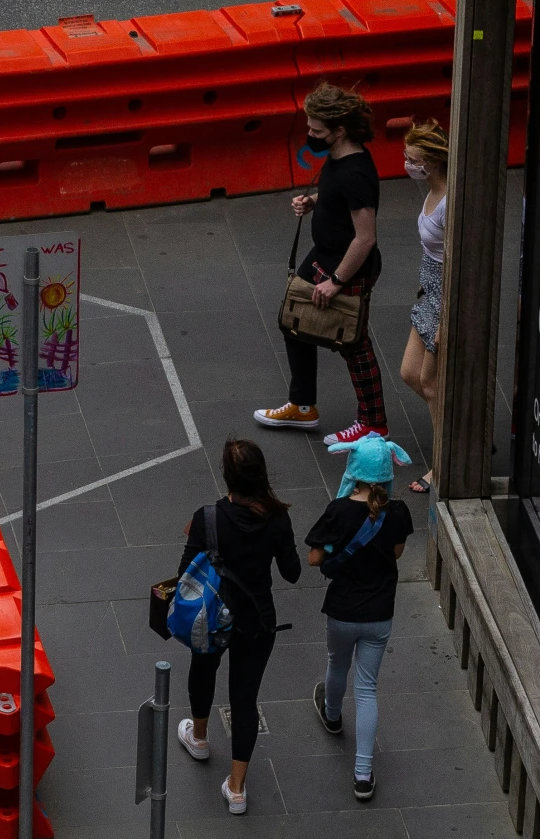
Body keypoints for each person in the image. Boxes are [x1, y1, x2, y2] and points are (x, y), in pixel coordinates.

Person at [255, 84, 388, 443]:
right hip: (323, 254)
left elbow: (365, 238)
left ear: (339, 130)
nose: (310, 135)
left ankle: (373, 423)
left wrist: (336, 282)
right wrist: (315, 201)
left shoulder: (356, 173)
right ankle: (302, 405)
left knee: (353, 344)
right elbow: (338, 199)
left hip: (344, 266)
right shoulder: (339, 158)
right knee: (293, 319)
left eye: (316, 130)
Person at [175, 437, 301, 815]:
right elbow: (292, 573)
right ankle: (237, 788)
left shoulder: (207, 517)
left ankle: (198, 737)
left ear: (227, 477)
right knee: (244, 700)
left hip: (212, 617)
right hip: (257, 621)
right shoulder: (277, 518)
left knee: (203, 670)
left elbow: (185, 574)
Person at [305, 435, 416, 802]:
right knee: (367, 688)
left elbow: (315, 559)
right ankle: (363, 775)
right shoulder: (398, 512)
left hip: (341, 612)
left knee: (337, 664)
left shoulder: (337, 510)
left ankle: (333, 715)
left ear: (355, 469)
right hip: (380, 614)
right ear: (387, 470)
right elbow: (396, 554)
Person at [399, 121, 449, 492]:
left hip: (444, 295)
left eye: (413, 159)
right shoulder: (432, 192)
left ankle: (444, 462)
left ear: (430, 162)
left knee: (430, 383)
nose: (407, 164)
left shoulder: (449, 202)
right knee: (409, 373)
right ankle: (456, 430)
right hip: (429, 286)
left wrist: (445, 316)